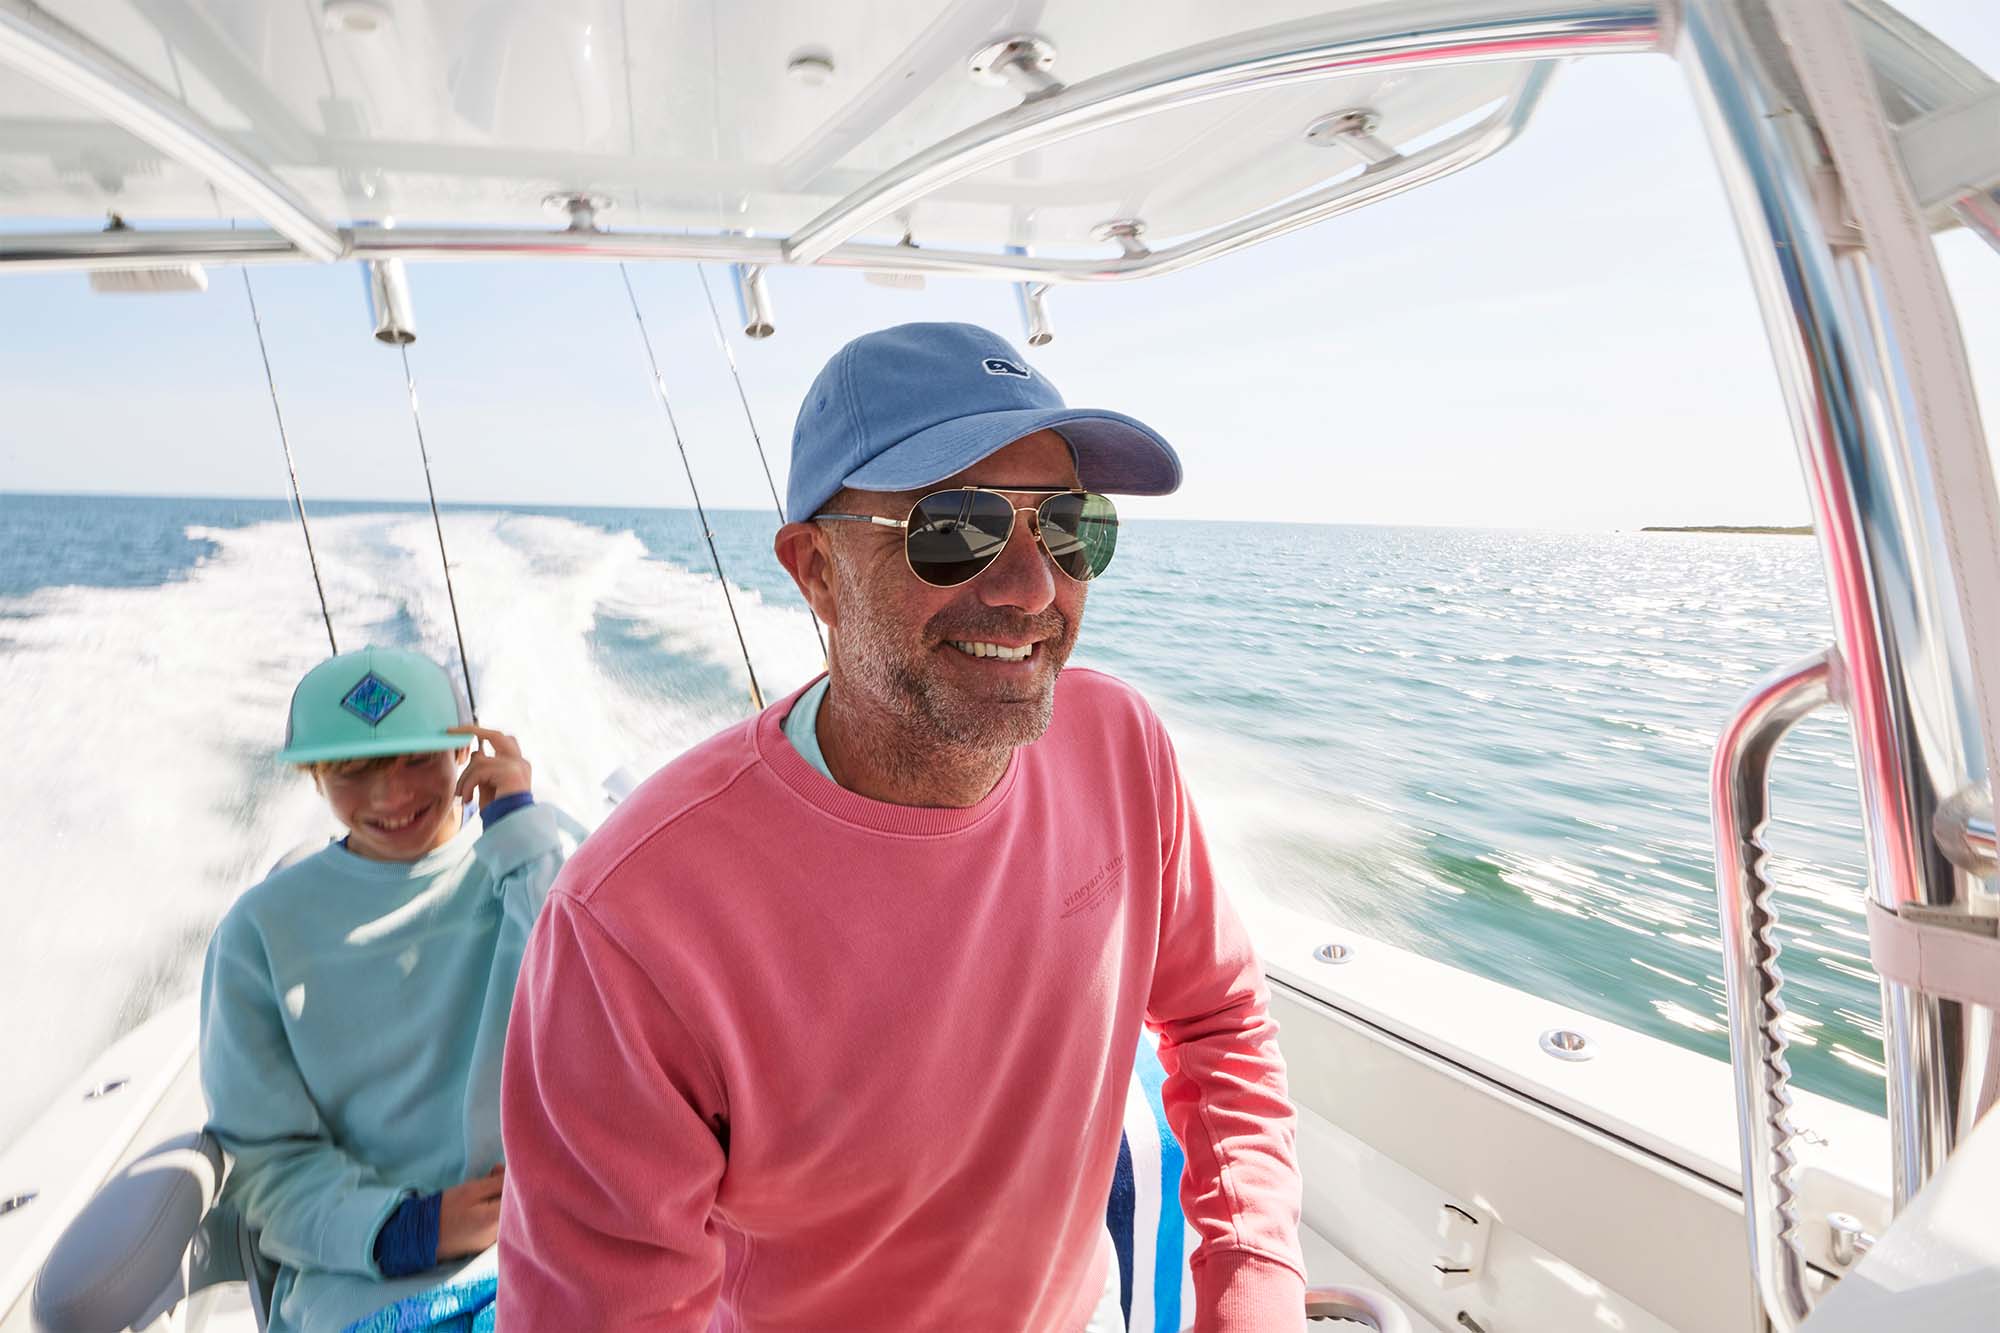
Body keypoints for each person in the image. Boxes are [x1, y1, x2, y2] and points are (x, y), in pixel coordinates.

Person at [500, 323, 1305, 1331]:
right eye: (953, 527)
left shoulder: (1121, 748)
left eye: (1068, 527)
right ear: (815, 572)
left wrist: (1253, 1280)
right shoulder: (630, 924)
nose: (1030, 588)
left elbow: (1216, 1016)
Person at [200, 646, 565, 1333]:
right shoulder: (259, 932)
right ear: (314, 776)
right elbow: (266, 1159)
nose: (393, 795)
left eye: (418, 758)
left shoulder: (539, 860)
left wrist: (521, 827)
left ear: (466, 752)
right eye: (353, 769)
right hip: (371, 1287)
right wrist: (409, 1227)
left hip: (564, 1243)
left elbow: (595, 1009)